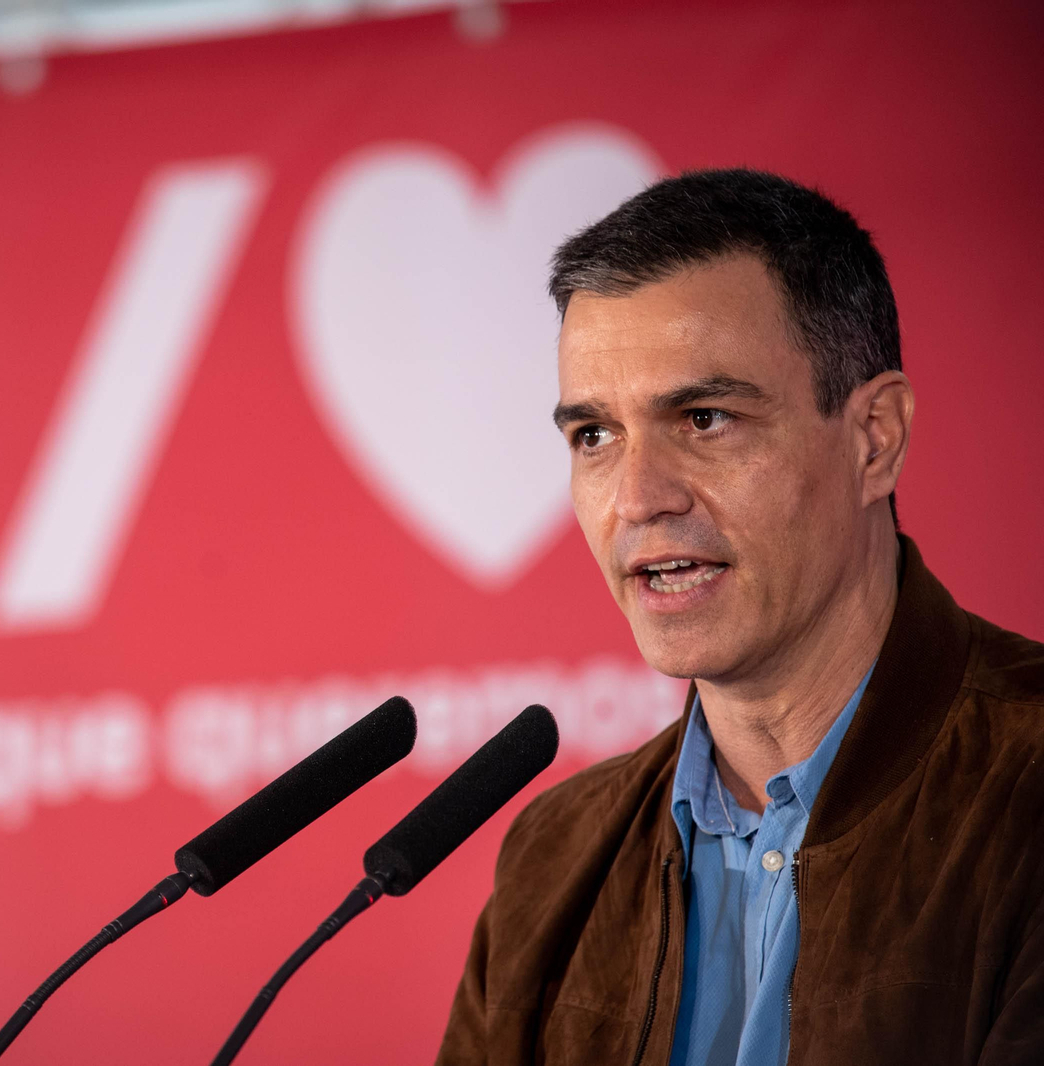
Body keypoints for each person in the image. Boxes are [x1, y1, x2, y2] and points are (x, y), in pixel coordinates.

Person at [436, 169, 1044, 1066]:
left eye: (706, 417)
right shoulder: (554, 859)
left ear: (875, 437)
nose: (638, 499)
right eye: (594, 437)